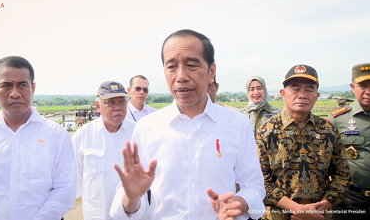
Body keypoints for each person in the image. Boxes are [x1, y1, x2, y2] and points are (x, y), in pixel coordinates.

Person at [110, 29, 265, 220]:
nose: (181, 76)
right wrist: (132, 198)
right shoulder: (147, 128)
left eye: (191, 65)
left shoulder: (237, 124)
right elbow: (125, 207)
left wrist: (236, 204)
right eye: (172, 67)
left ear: (211, 72)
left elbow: (255, 187)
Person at [0, 56, 76, 219]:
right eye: (6, 85)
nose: (14, 93)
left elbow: (65, 190)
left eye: (22, 85)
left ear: (32, 88)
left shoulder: (56, 135)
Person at [256, 64, 351, 220]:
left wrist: (322, 207)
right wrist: (297, 209)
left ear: (316, 95)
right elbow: (258, 179)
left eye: (309, 89)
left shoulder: (328, 131)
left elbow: (342, 176)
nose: (302, 95)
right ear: (283, 93)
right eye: (295, 88)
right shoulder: (266, 132)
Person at [72, 81, 136, 219]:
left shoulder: (137, 132)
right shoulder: (83, 135)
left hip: (131, 214)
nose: (117, 108)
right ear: (97, 106)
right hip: (96, 213)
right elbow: (75, 176)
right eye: (110, 102)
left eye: (122, 102)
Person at [327, 63, 370, 219]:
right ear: (352, 87)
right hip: (350, 200)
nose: (369, 91)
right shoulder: (337, 119)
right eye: (363, 85)